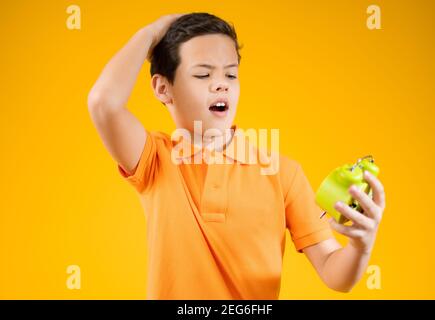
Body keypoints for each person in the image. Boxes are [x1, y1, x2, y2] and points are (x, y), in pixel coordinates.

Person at [87, 12, 386, 299]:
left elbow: (335, 273)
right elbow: (103, 103)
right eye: (203, 74)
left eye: (231, 74)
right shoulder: (155, 159)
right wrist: (152, 32)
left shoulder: (282, 172)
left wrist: (361, 245)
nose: (221, 84)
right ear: (164, 89)